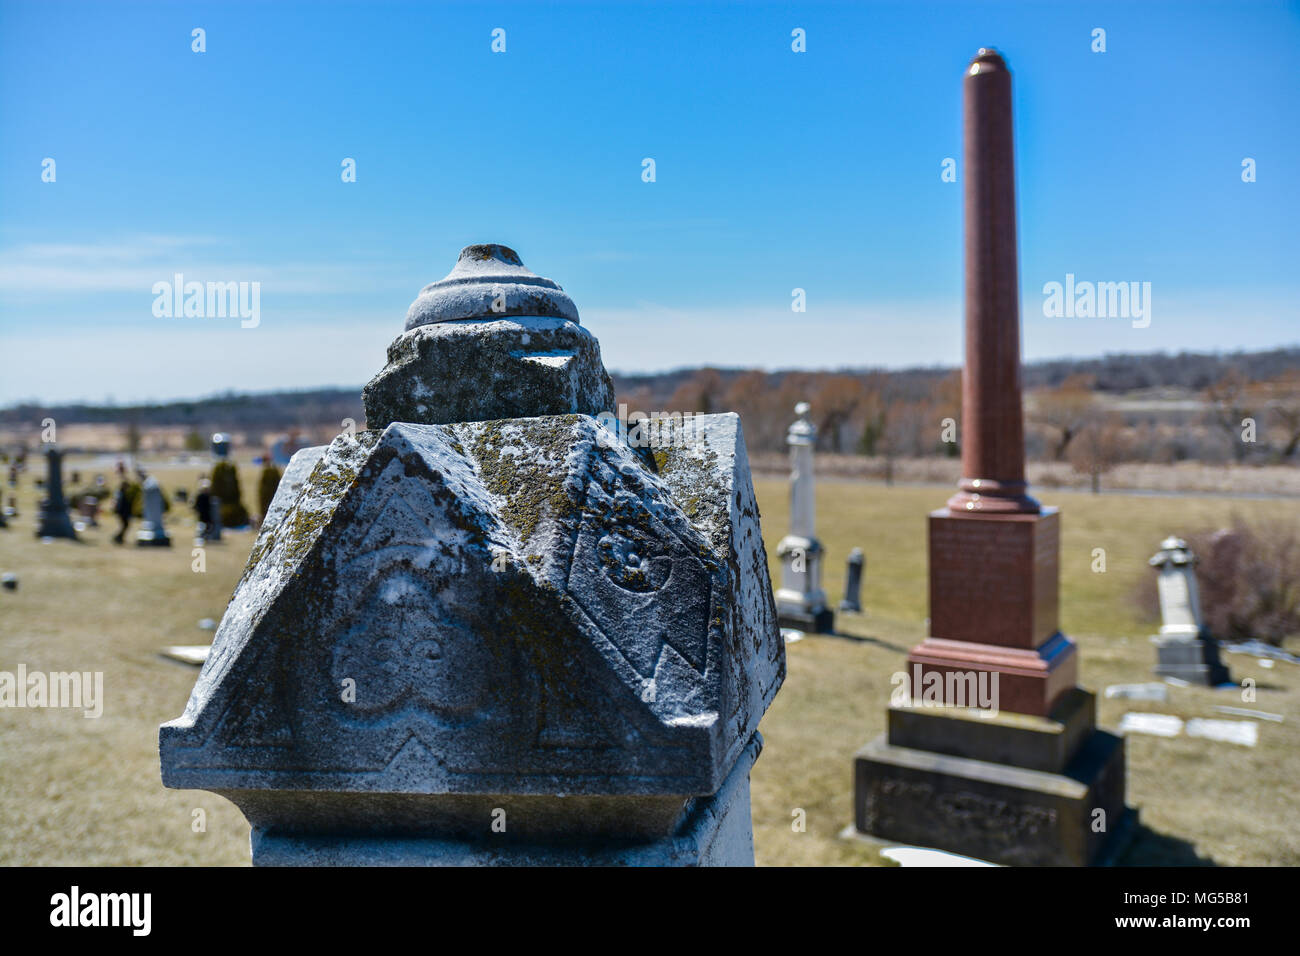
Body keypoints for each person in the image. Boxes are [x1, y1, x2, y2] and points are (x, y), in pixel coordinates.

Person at [111, 462, 132, 545]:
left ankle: (119, 538)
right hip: (122, 507)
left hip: (124, 506)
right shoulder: (121, 480)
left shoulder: (124, 479)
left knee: (125, 524)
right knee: (125, 524)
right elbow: (117, 495)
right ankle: (118, 537)